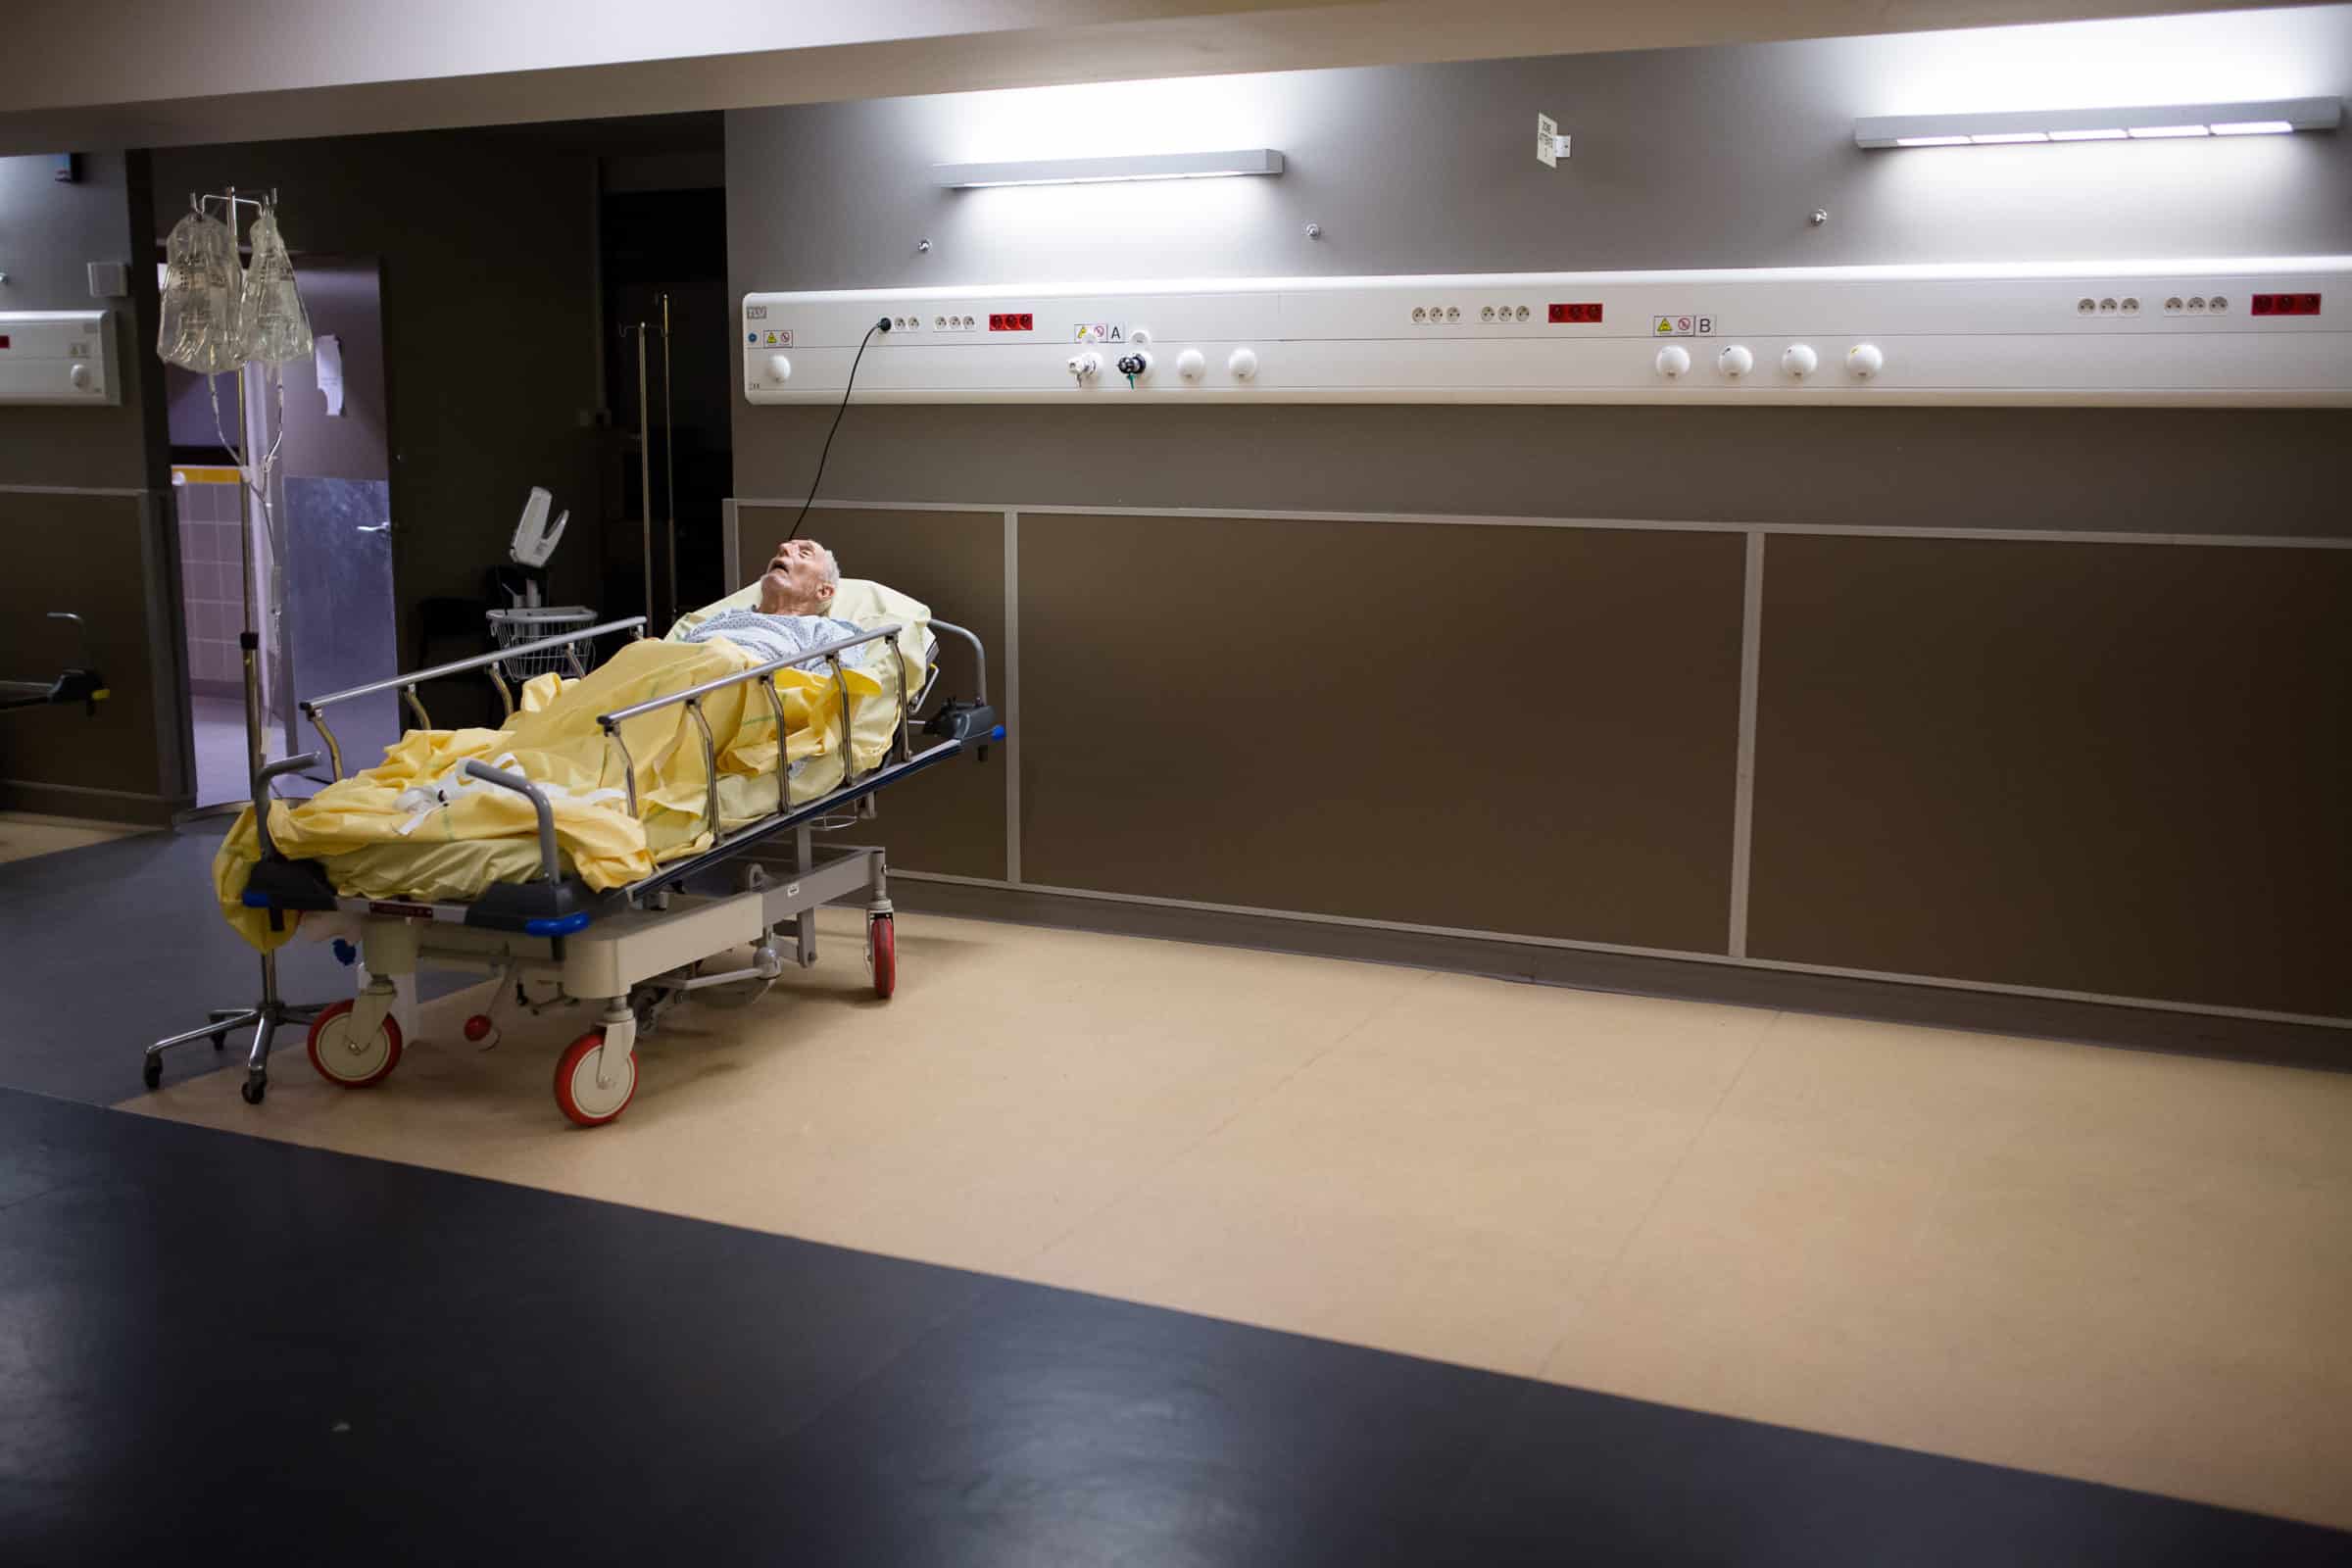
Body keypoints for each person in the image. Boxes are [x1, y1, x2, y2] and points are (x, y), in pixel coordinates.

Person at [678, 538, 870, 669]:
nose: (783, 547)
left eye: (804, 553)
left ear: (823, 591)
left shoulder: (826, 632)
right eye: (783, 549)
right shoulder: (722, 618)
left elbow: (830, 693)